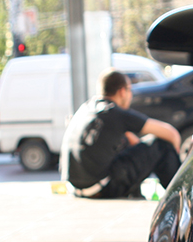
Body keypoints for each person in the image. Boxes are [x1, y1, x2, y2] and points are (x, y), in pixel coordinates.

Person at [62, 69, 181, 199]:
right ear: (122, 92)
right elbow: (171, 133)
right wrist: (175, 152)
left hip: (77, 188)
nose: (131, 95)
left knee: (129, 149)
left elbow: (133, 143)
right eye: (130, 90)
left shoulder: (88, 108)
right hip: (101, 188)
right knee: (161, 145)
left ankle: (137, 194)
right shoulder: (115, 112)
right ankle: (181, 194)